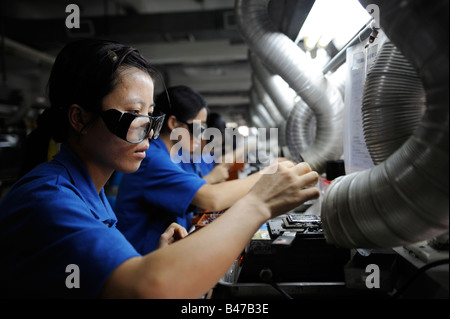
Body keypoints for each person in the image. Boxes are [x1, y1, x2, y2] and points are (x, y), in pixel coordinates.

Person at [0, 39, 320, 299]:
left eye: (150, 114)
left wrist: (158, 260)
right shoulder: (46, 198)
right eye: (132, 112)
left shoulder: (86, 192)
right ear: (80, 118)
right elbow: (147, 289)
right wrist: (258, 203)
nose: (149, 132)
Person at [114, 85, 274, 254]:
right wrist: (270, 173)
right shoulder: (152, 159)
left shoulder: (175, 154)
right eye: (199, 128)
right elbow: (212, 198)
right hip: (144, 261)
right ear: (174, 124)